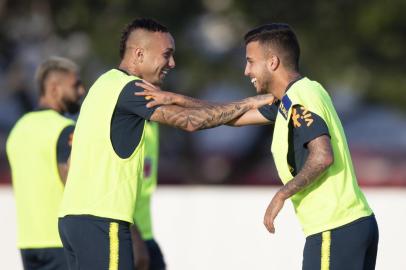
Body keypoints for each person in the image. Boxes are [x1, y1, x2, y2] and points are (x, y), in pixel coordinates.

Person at [135, 23, 379, 270]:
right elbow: (230, 116)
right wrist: (176, 99)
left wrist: (282, 194)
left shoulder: (300, 97)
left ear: (272, 62)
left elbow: (322, 156)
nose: (246, 70)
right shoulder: (296, 97)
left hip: (335, 227)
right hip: (353, 224)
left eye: (251, 61)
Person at [57, 18, 274, 270]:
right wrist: (250, 102)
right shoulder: (131, 89)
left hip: (73, 219)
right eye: (167, 54)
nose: (172, 63)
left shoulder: (104, 84)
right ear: (139, 54)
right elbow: (191, 121)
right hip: (102, 221)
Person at [6, 57, 85, 270]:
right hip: (61, 243)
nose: (82, 90)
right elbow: (75, 182)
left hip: (28, 242)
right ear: (54, 88)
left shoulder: (18, 129)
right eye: (75, 85)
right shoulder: (66, 128)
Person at [131, 121, 166, 270]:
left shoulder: (151, 124)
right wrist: (133, 235)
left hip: (146, 234)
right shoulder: (126, 124)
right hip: (128, 235)